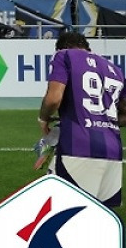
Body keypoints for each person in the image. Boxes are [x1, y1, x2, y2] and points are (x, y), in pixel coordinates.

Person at [38, 32, 125, 207]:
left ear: (62, 47)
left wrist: (43, 117)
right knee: (101, 215)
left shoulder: (64, 55)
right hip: (113, 152)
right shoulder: (115, 69)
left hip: (78, 146)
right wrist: (101, 119)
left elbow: (54, 99)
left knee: (61, 211)